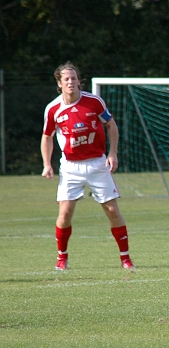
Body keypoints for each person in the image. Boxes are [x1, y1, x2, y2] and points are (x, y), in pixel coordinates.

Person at [41, 61, 134, 271]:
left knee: (112, 210)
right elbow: (47, 136)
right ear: (59, 83)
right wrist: (47, 164)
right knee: (65, 213)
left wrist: (112, 153)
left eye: (74, 78)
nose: (71, 82)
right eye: (66, 79)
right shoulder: (53, 108)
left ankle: (125, 258)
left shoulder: (93, 102)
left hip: (97, 164)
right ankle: (61, 258)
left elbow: (111, 125)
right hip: (71, 167)